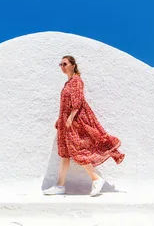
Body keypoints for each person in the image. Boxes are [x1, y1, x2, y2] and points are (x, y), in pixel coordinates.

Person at [43, 55, 125, 197]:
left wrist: (70, 118)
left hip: (73, 123)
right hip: (65, 122)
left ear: (73, 65)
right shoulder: (67, 83)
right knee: (65, 154)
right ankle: (60, 186)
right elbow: (65, 105)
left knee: (77, 152)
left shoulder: (76, 81)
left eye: (65, 64)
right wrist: (60, 118)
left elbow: (78, 101)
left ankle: (96, 179)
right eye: (60, 64)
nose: (62, 67)